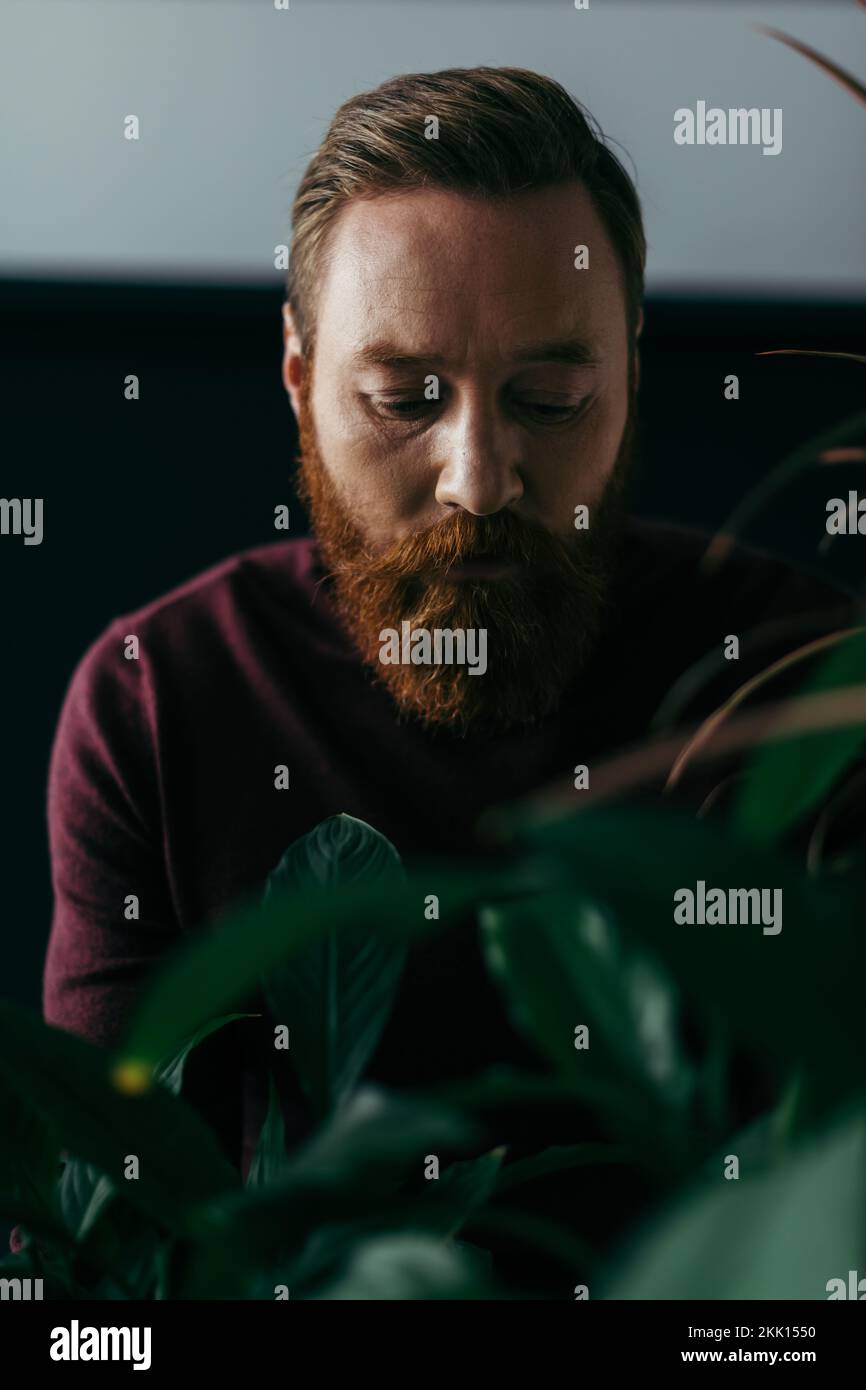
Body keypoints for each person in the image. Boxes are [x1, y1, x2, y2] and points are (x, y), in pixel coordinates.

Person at [36, 69, 861, 1254]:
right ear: (296, 381)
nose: (479, 478)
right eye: (401, 398)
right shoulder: (158, 701)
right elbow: (111, 1234)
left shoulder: (795, 683)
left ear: (629, 373)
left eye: (551, 397)